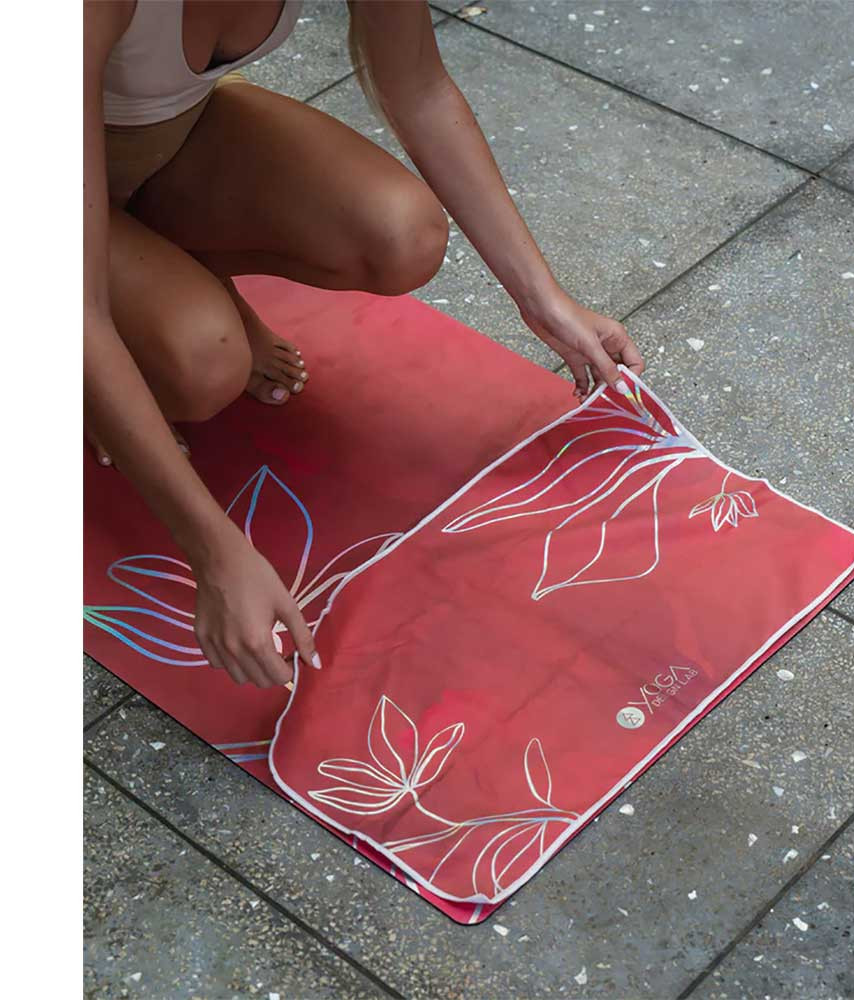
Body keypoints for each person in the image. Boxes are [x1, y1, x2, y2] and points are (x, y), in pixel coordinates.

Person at [84, 0, 645, 690]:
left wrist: (546, 301)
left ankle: (164, 271)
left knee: (401, 232)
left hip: (159, 141)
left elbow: (419, 87)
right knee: (201, 363)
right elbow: (78, 308)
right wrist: (215, 552)